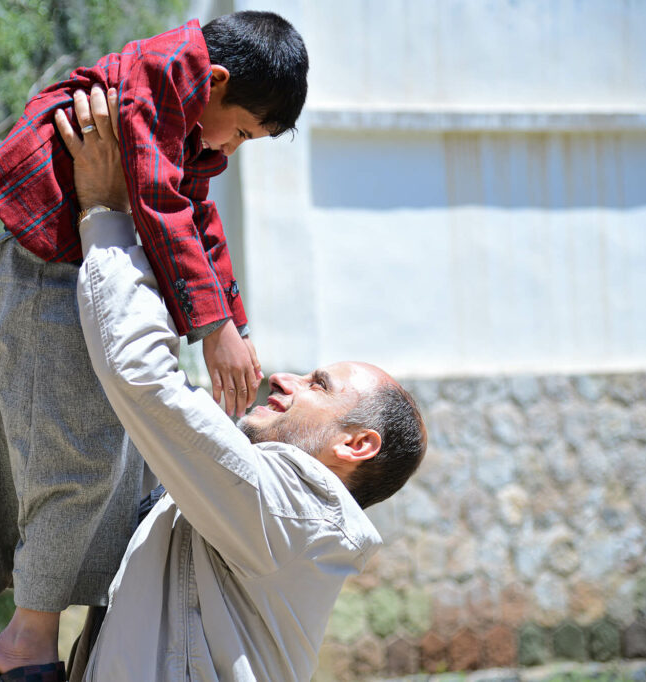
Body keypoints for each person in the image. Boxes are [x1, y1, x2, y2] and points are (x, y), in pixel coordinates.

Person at [0, 11, 309, 680]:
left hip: (81, 272)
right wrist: (209, 327)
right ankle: (24, 645)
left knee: (131, 470)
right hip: (41, 274)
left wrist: (232, 322)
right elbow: (155, 199)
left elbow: (194, 213)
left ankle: (84, 634)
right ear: (213, 81)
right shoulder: (159, 77)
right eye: (238, 130)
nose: (232, 149)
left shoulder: (186, 112)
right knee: (76, 462)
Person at [68, 87, 425, 681]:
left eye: (318, 384)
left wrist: (105, 213)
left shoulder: (296, 514)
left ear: (356, 444)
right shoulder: (257, 510)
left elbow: (144, 378)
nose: (282, 379)